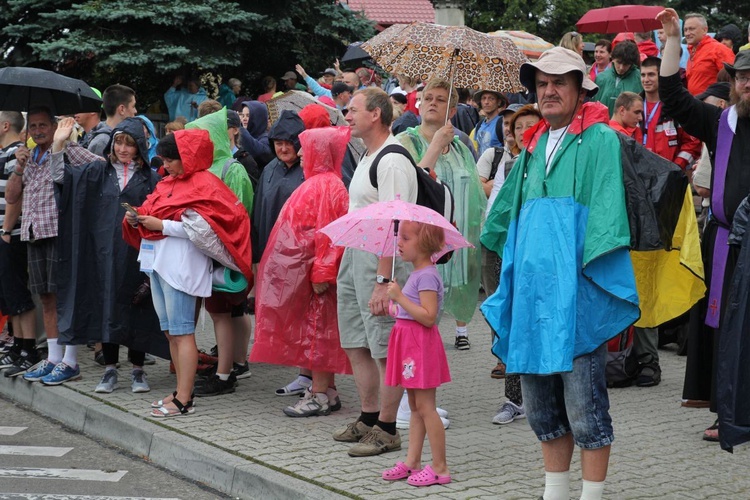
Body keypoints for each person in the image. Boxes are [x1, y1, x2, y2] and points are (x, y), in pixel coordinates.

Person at [481, 47, 641, 500]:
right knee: (540, 409)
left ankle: (591, 497)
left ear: (580, 88)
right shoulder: (530, 146)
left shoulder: (600, 138)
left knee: (586, 411)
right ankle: (555, 493)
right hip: (533, 298)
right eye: (541, 83)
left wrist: (584, 284)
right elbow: (505, 216)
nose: (548, 91)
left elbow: (607, 213)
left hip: (575, 296)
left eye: (559, 82)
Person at [657, 8, 750, 442]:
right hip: (727, 243)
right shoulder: (721, 122)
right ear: (733, 83)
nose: (748, 84)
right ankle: (726, 411)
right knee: (724, 331)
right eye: (742, 77)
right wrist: (673, 40)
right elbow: (674, 99)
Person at [122, 129, 252, 417]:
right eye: (165, 160)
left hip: (181, 268)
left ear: (189, 157)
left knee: (182, 333)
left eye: (171, 160)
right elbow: (160, 210)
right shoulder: (172, 182)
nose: (165, 166)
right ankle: (182, 390)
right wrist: (138, 216)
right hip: (159, 265)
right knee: (171, 332)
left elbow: (207, 231)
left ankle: (184, 398)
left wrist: (161, 226)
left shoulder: (206, 185)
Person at [49, 117, 164, 394]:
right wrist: (58, 144)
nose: (123, 149)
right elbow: (60, 177)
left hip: (138, 254)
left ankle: (138, 369)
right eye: (119, 142)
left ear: (139, 147)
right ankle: (110, 369)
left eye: (130, 144)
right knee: (107, 306)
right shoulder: (97, 172)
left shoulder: (150, 178)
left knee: (138, 306)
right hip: (101, 255)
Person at [333, 88, 417, 457]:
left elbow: (395, 223)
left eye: (353, 110)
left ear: (376, 115)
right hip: (357, 253)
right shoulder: (368, 153)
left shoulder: (393, 158)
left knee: (383, 345)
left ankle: (387, 427)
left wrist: (384, 281)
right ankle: (367, 417)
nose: (346, 116)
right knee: (356, 340)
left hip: (380, 259)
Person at [250, 126, 351, 417]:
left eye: (307, 148)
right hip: (306, 272)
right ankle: (326, 390)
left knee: (319, 332)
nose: (302, 153)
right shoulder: (322, 183)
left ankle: (318, 393)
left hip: (313, 275)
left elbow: (329, 234)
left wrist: (322, 271)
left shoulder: (326, 186)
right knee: (319, 332)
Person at [396, 77, 486, 350]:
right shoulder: (406, 141)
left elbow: (474, 193)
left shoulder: (461, 147)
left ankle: (459, 329)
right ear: (420, 105)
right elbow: (413, 181)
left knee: (458, 283)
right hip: (420, 236)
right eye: (428, 98)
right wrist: (435, 145)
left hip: (455, 234)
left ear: (453, 112)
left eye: (441, 100)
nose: (432, 103)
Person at [6, 107, 85, 385]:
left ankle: (70, 360)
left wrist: (63, 146)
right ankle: (53, 358)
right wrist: (18, 166)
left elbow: (98, 165)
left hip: (60, 234)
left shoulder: (69, 149)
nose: (38, 131)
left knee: (65, 298)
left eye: (43, 126)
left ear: (54, 127)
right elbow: (12, 196)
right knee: (47, 299)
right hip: (33, 233)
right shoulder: (29, 157)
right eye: (34, 127)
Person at [185, 108, 255, 397]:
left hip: (223, 255)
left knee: (221, 314)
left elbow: (240, 214)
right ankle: (227, 368)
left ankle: (225, 374)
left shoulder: (231, 169)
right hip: (207, 254)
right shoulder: (204, 169)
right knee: (219, 314)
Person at [381, 221, 451, 487]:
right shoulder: (417, 273)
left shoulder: (427, 276)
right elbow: (412, 312)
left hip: (419, 347)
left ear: (423, 244)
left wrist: (400, 298)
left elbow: (429, 317)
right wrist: (394, 306)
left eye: (406, 238)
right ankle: (412, 462)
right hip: (410, 345)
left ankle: (440, 467)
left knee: (425, 407)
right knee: (414, 407)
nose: (399, 243)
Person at [489, 104, 542, 425]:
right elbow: (498, 211)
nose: (523, 132)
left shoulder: (552, 164)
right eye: (518, 127)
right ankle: (514, 399)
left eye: (530, 125)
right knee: (512, 326)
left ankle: (544, 395)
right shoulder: (510, 166)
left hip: (545, 262)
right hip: (514, 258)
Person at [0, 111, 38, 378]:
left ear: (5, 125)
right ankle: (17, 347)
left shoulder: (16, 153)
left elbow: (16, 197)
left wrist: (5, 230)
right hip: (4, 232)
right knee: (8, 295)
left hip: (10, 234)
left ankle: (28, 348)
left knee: (18, 294)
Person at [683, 13, 736, 96]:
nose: (687, 33)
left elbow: (733, 80)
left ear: (705, 30)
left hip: (713, 105)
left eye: (691, 29)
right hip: (695, 105)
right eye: (685, 30)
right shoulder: (692, 52)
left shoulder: (718, 49)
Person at [593, 40, 643, 116]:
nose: (621, 67)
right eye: (618, 62)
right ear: (613, 59)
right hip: (603, 124)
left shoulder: (640, 78)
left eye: (626, 64)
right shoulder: (601, 78)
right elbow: (594, 105)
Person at [86, 84, 138, 157]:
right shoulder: (103, 142)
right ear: (122, 109)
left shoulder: (116, 136)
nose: (135, 111)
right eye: (133, 106)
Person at [472, 89, 508, 155]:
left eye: (491, 98)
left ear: (499, 102)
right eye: (483, 98)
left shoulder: (502, 123)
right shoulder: (479, 125)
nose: (486, 102)